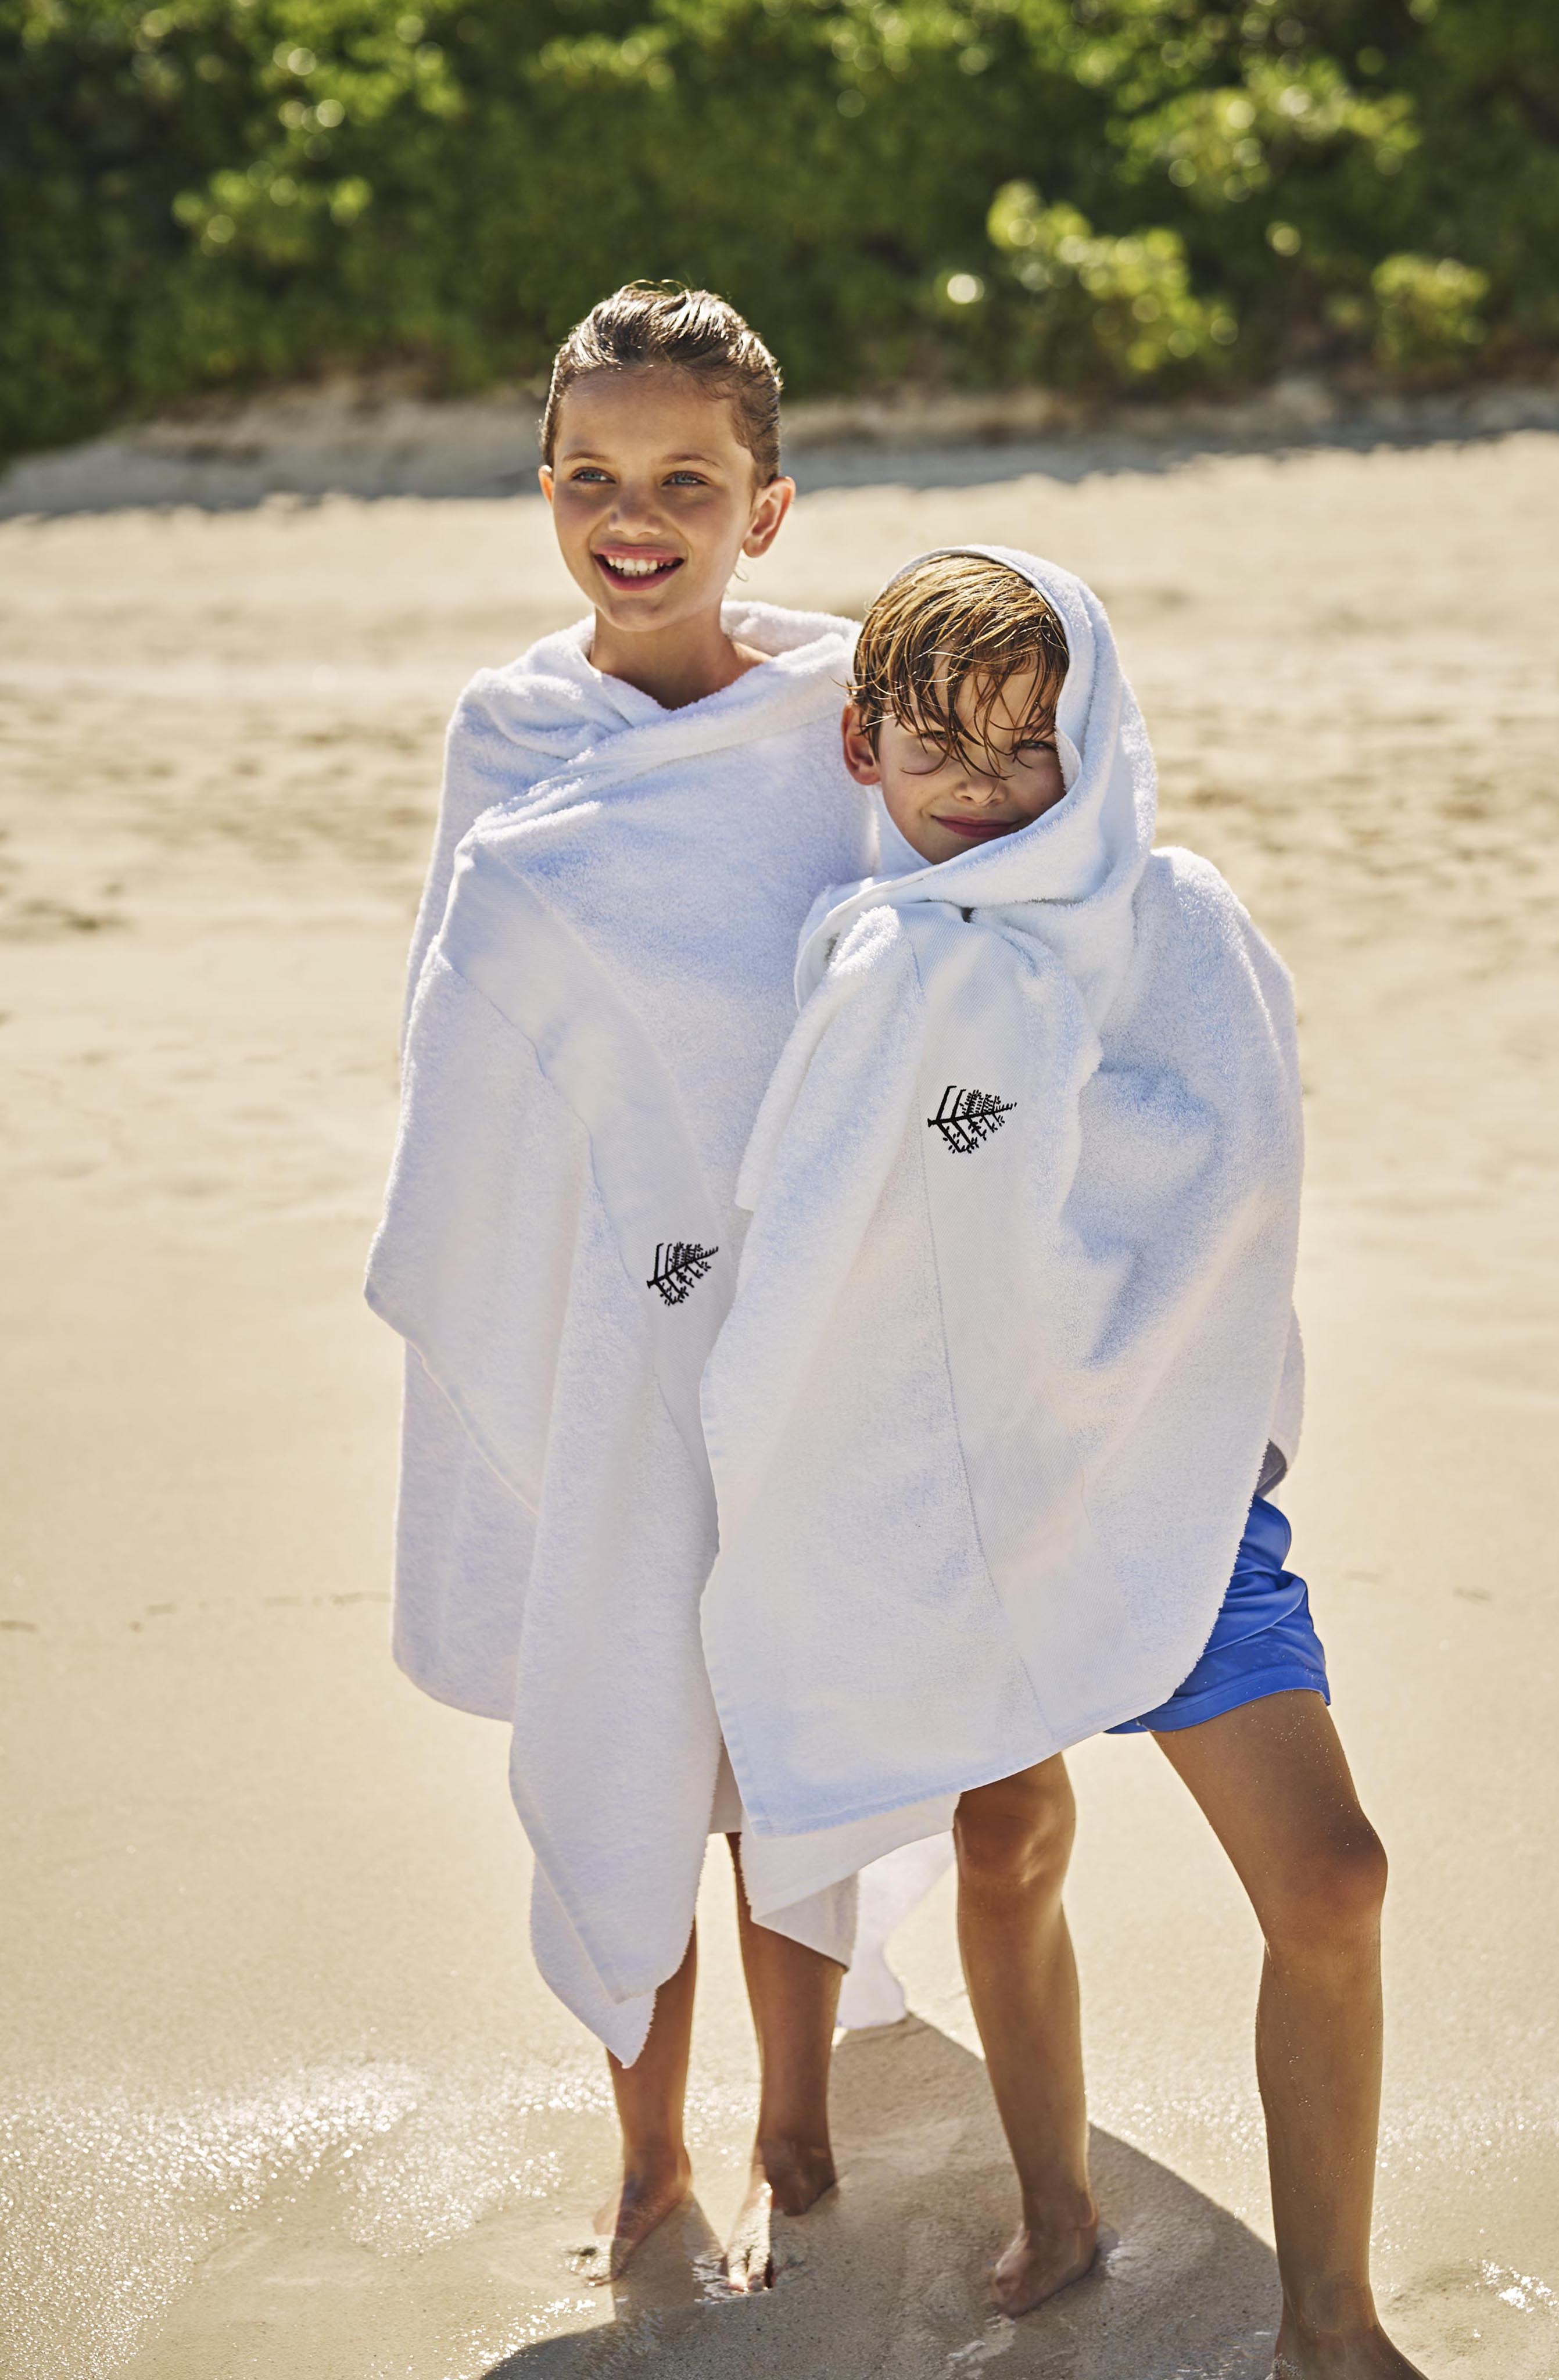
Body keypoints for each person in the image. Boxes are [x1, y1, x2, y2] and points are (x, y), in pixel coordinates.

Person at [698, 550, 1429, 2371]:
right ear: (863, 749)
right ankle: (1057, 2198)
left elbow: (1230, 1170)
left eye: (1027, 751)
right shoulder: (866, 962)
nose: (980, 787)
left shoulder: (1175, 921)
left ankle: (1327, 2316)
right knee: (1010, 1834)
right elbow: (812, 1239)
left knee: (1332, 1876)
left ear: (1091, 743)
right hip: (962, 1487)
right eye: (936, 743)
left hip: (1167, 1470)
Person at [365, 283, 953, 2292]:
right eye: (595, 478)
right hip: (606, 1307)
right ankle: (645, 2152)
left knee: (776, 1719)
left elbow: (927, 1004)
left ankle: (792, 2125)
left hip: (797, 1309)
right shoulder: (509, 730)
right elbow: (464, 1054)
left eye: (685, 482)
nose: (638, 517)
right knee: (630, 1687)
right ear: (546, 490)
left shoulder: (844, 730)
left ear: (764, 509)